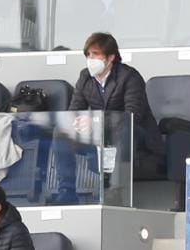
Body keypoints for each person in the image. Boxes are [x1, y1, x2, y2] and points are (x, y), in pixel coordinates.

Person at [67, 31, 161, 184]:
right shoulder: (85, 77)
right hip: (102, 135)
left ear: (110, 57)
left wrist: (96, 122)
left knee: (125, 130)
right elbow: (74, 110)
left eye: (95, 54)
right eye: (88, 55)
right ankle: (66, 190)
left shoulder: (129, 76)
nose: (90, 59)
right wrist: (78, 123)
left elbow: (133, 116)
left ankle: (117, 189)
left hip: (137, 136)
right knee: (61, 133)